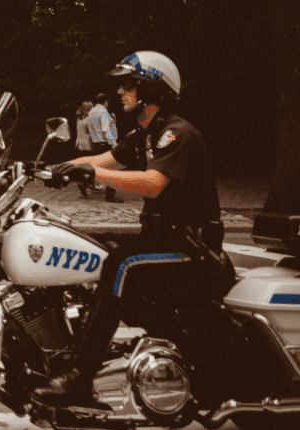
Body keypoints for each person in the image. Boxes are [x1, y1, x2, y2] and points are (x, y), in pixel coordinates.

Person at [36, 51, 230, 406]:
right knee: (91, 248)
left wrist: (91, 174)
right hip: (163, 240)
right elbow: (100, 159)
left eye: (129, 85)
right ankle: (74, 350)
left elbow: (153, 183)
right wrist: (52, 168)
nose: (121, 92)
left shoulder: (177, 134)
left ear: (151, 90)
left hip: (194, 250)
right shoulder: (143, 134)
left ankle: (80, 375)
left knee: (120, 264)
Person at [86, 92, 123, 202]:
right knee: (112, 169)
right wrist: (114, 144)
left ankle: (85, 183)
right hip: (105, 143)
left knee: (98, 168)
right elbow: (106, 130)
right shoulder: (103, 112)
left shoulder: (92, 111)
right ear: (105, 102)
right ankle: (110, 195)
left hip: (97, 143)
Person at [73, 100, 95, 197]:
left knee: (83, 166)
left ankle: (88, 184)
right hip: (88, 145)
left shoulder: (79, 118)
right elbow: (91, 134)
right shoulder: (88, 120)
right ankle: (86, 184)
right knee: (91, 167)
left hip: (79, 144)